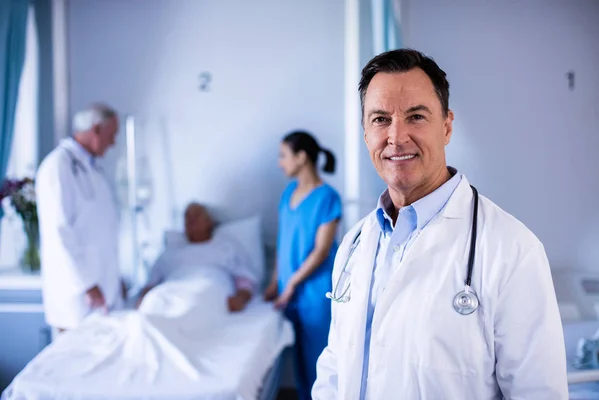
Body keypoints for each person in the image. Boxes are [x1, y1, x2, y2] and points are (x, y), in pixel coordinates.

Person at [312, 49, 568, 399]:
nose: (396, 137)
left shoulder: (513, 251)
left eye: (416, 116)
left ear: (446, 126)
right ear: (365, 131)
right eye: (380, 119)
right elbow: (334, 366)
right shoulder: (355, 244)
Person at [264, 131, 342, 400]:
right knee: (299, 365)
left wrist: (292, 284)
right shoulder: (288, 193)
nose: (279, 163)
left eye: (283, 156)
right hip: (289, 291)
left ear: (302, 157)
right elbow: (283, 241)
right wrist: (276, 282)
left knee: (320, 363)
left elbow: (320, 252)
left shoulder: (327, 197)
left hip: (314, 292)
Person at [36, 104, 126, 332]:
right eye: (111, 135)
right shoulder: (58, 167)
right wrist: (86, 284)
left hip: (100, 288)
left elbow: (100, 230)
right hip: (77, 295)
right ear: (96, 129)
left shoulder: (93, 170)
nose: (113, 143)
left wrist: (115, 280)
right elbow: (59, 232)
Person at [137, 203, 257, 312]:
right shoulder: (169, 252)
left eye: (197, 215)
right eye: (187, 217)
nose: (191, 220)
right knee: (154, 303)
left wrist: (241, 299)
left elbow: (245, 280)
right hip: (171, 290)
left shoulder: (226, 247)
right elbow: (151, 284)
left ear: (210, 221)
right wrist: (144, 299)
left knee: (196, 303)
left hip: (209, 289)